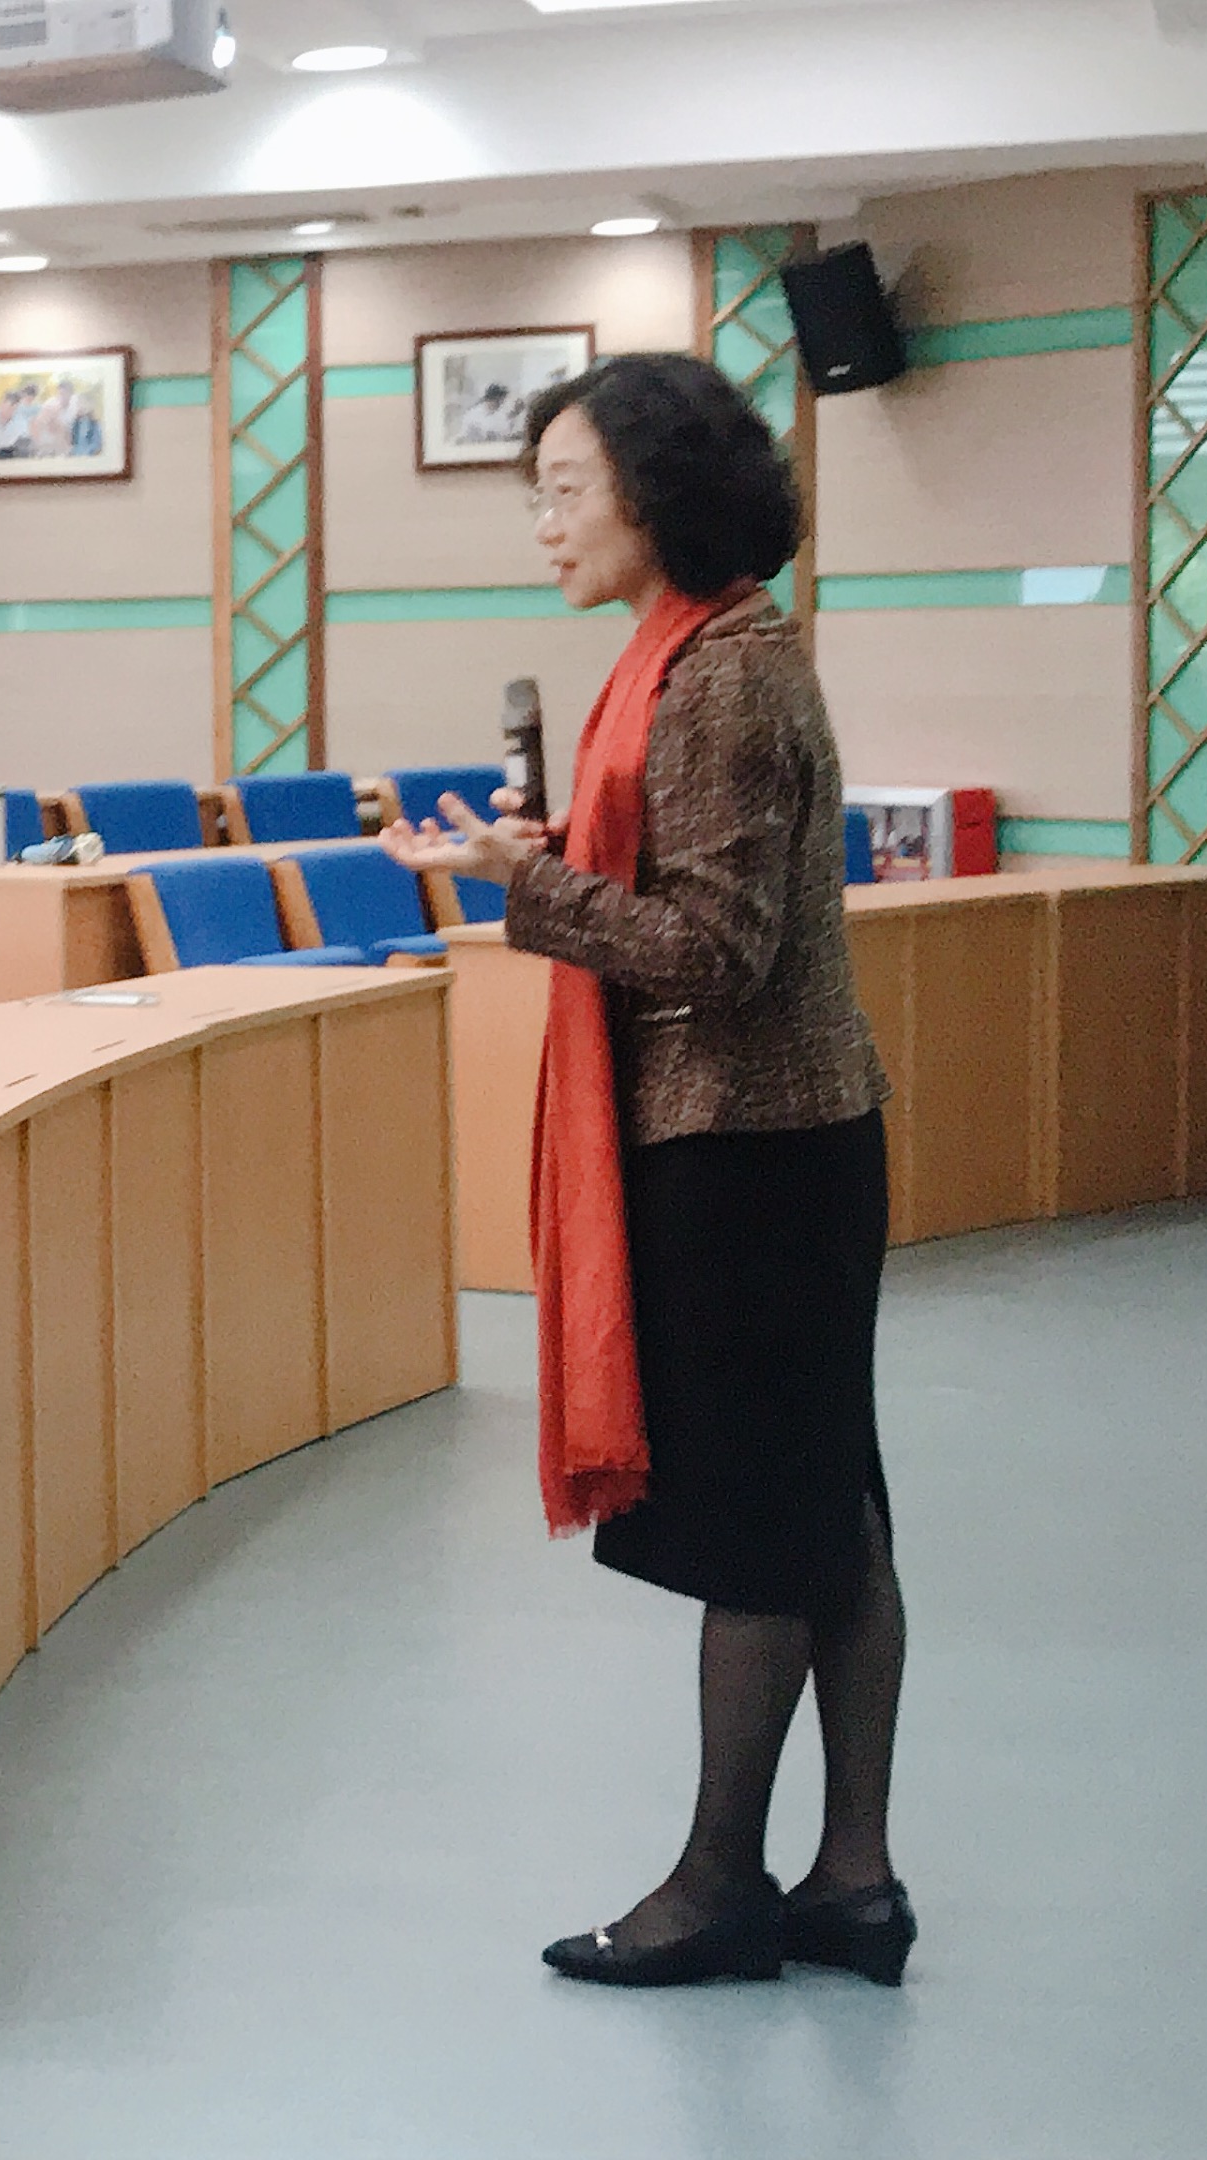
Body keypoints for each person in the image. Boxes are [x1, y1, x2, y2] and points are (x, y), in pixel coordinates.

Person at [377, 352, 904, 1991]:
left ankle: (717, 1888)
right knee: (826, 1510)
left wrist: (521, 893)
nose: (542, 525)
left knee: (762, 1521)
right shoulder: (703, 649)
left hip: (745, 1143)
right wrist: (542, 869)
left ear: (653, 496)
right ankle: (849, 1882)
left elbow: (713, 951)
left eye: (562, 491)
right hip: (782, 1136)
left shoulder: (717, 679)